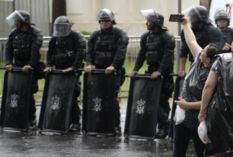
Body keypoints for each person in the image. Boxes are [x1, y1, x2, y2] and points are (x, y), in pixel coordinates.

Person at [158, 16, 220, 157]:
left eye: (204, 53)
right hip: (183, 115)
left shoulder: (213, 74)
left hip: (199, 117)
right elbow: (191, 40)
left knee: (202, 152)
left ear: (209, 60)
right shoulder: (199, 59)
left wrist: (187, 105)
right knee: (179, 149)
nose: (200, 53)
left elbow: (208, 102)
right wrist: (186, 24)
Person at [132, 9, 175, 139]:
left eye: (149, 21)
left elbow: (168, 57)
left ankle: (164, 127)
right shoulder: (146, 36)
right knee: (149, 100)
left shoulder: (167, 37)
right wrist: (136, 68)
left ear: (156, 22)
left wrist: (160, 71)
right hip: (151, 71)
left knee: (161, 101)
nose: (147, 23)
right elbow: (141, 54)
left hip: (164, 74)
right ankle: (158, 126)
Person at [85, 8, 129, 136]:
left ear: (112, 21)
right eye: (102, 21)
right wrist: (89, 64)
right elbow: (89, 52)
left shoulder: (120, 34)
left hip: (112, 73)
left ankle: (115, 126)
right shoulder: (94, 35)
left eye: (106, 21)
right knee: (96, 98)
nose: (104, 23)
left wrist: (114, 66)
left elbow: (121, 53)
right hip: (97, 73)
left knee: (112, 99)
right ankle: (97, 124)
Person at [46, 16, 86, 132]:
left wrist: (74, 67)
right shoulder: (55, 38)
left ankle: (75, 122)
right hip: (58, 71)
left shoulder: (76, 37)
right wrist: (49, 65)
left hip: (71, 72)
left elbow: (81, 53)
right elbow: (50, 52)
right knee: (57, 96)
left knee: (72, 96)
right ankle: (60, 120)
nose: (61, 30)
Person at [4, 10, 43, 128]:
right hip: (17, 68)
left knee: (29, 94)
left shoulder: (35, 33)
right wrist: (8, 63)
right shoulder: (13, 33)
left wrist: (30, 65)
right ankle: (15, 117)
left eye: (17, 20)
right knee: (15, 93)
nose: (15, 22)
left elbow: (35, 51)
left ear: (23, 21)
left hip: (29, 69)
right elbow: (8, 49)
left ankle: (31, 119)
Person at [178, 5, 223, 78]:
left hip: (209, 65)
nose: (191, 18)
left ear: (200, 18)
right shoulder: (189, 30)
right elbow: (184, 50)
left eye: (193, 16)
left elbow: (215, 51)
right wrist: (182, 69)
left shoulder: (213, 31)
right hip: (194, 63)